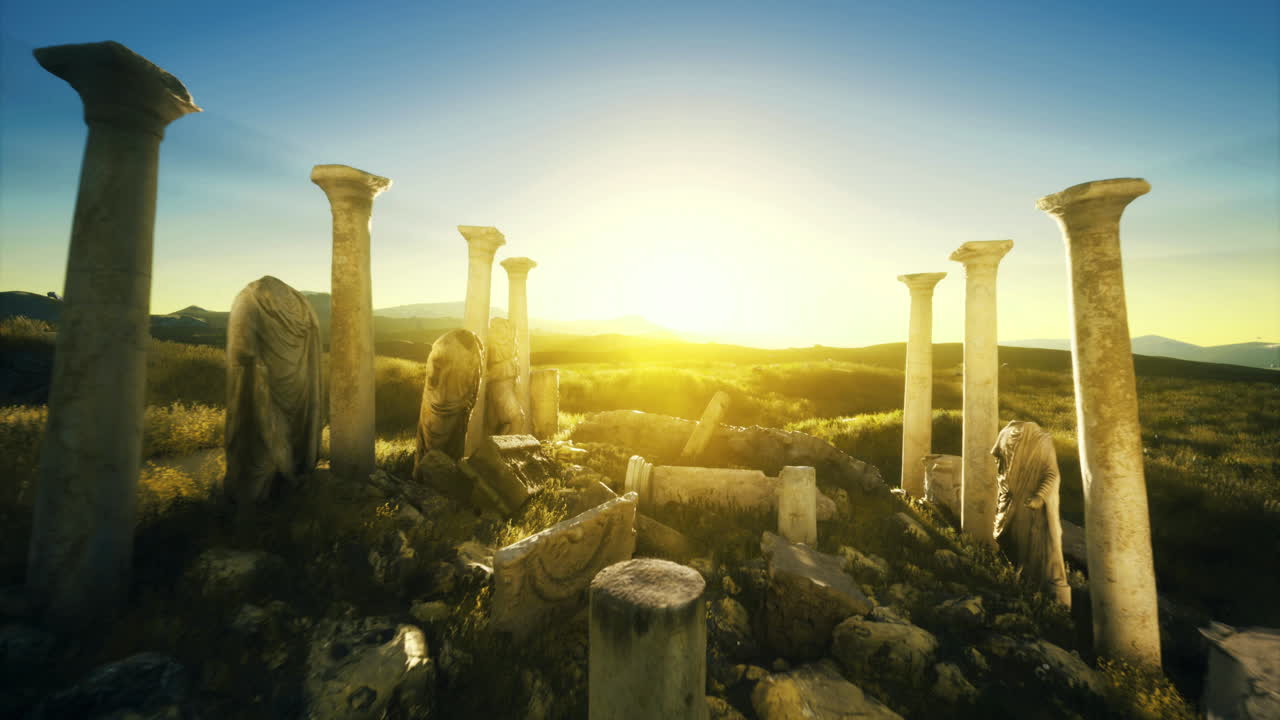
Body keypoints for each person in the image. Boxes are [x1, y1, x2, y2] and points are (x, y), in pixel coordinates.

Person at [991, 420, 1072, 607]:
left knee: (1029, 550)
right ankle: (1012, 586)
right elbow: (1000, 463)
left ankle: (1033, 594)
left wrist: (1040, 496)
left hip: (1029, 507)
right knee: (1006, 541)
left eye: (1012, 445)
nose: (1008, 449)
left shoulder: (1041, 442)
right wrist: (1002, 487)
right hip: (1007, 503)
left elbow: (1052, 473)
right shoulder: (1005, 437)